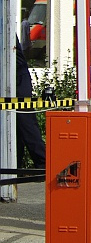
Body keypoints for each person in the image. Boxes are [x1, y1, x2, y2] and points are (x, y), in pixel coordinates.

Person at [14, 36, 45, 170]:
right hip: (15, 77)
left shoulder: (5, 29)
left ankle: (42, 163)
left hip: (18, 79)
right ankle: (15, 165)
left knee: (25, 122)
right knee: (16, 126)